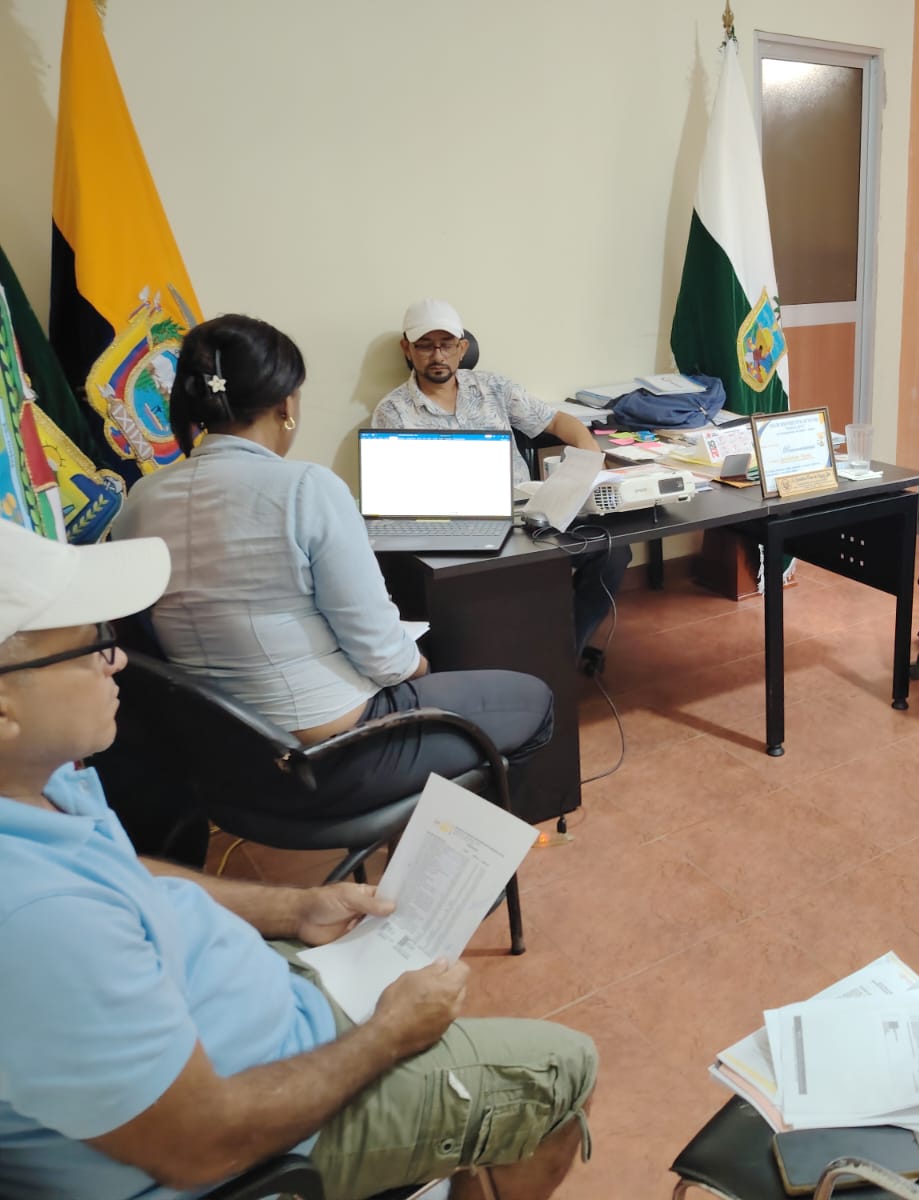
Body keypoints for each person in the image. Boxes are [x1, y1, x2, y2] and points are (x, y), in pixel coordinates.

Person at [0, 520, 596, 1200]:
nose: (117, 660)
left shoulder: (39, 784)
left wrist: (293, 908)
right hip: (251, 1125)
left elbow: (124, 877)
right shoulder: (39, 919)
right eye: (93, 644)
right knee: (564, 1068)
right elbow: (202, 1144)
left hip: (244, 820)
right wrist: (388, 1036)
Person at [115, 314, 555, 817]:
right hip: (330, 755)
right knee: (534, 701)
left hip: (221, 762)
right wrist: (423, 669)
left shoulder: (143, 499)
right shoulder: (307, 488)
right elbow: (385, 658)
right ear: (286, 405)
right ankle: (454, 854)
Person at [374, 299, 629, 657]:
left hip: (529, 518)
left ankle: (565, 653)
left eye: (446, 345)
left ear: (462, 348)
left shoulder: (493, 387)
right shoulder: (393, 411)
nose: (437, 356)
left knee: (612, 551)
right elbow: (399, 495)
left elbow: (559, 422)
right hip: (457, 530)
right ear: (407, 349)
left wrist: (591, 459)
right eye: (425, 346)